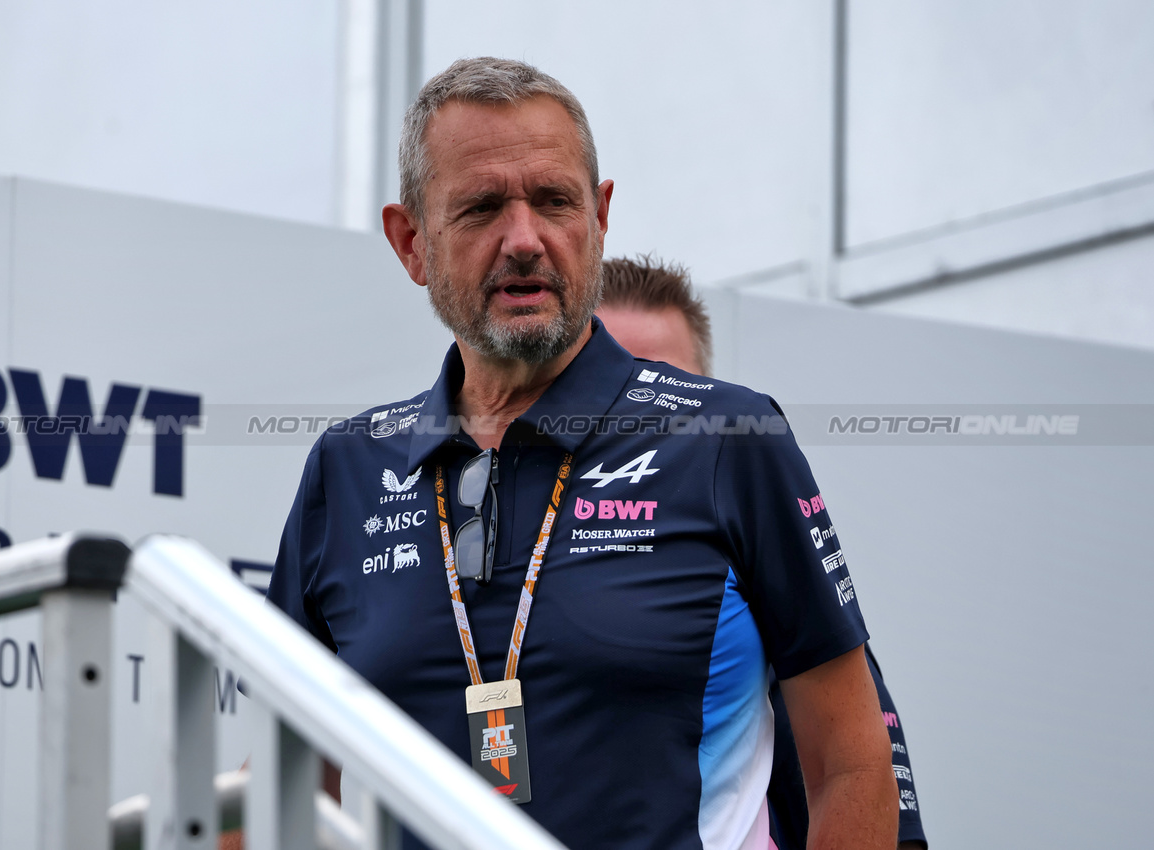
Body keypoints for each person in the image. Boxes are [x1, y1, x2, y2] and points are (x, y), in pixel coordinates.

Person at [269, 57, 897, 849]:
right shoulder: (348, 466)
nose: (524, 240)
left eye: (555, 201)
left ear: (599, 219)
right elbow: (293, 786)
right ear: (411, 242)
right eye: (481, 207)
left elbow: (850, 763)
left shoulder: (728, 440)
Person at [596, 255, 928, 850]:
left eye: (661, 389)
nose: (636, 416)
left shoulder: (770, 615)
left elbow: (876, 811)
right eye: (609, 385)